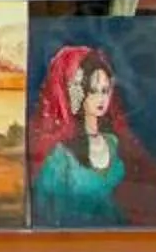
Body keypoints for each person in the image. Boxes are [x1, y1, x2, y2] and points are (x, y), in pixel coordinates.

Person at [30, 44, 130, 228]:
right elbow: (46, 213)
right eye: (93, 91)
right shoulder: (60, 157)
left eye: (105, 91)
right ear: (78, 93)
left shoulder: (112, 142)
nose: (101, 99)